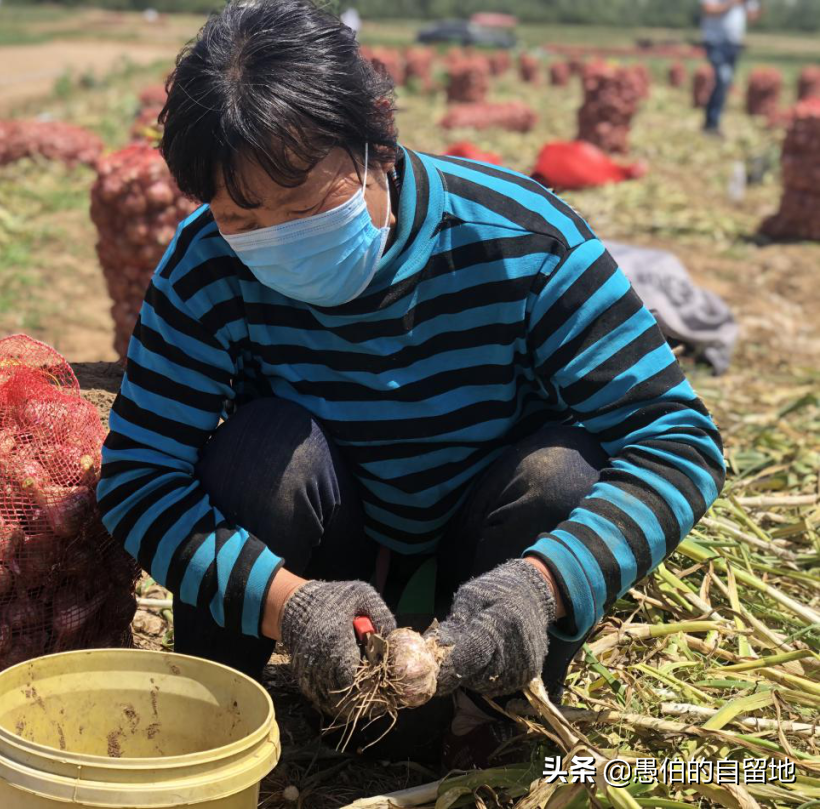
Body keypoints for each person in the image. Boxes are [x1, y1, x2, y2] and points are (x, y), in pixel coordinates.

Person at [97, 0, 725, 762]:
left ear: (378, 144)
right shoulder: (205, 264)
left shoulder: (524, 240)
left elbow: (678, 440)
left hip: (488, 545)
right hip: (329, 556)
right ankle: (221, 720)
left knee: (564, 473)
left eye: (304, 206)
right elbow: (139, 475)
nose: (277, 242)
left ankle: (492, 711)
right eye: (242, 217)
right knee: (264, 450)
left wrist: (542, 585)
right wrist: (289, 604)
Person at [701, 0, 762, 135]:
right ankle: (712, 122)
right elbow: (708, 10)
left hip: (734, 44)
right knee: (723, 78)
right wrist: (732, 3)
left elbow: (752, 17)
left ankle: (712, 122)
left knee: (725, 83)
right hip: (715, 41)